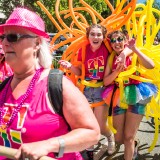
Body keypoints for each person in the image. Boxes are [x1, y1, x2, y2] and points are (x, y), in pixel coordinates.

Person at [0, 7, 101, 160]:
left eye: (13, 37)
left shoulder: (56, 84)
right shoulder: (3, 86)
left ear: (37, 43)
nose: (5, 43)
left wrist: (48, 145)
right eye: (3, 37)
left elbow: (92, 133)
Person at [59, 24, 132, 158]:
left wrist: (124, 54)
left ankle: (110, 137)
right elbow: (80, 71)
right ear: (88, 36)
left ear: (104, 37)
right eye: (92, 34)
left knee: (99, 123)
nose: (96, 37)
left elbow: (124, 47)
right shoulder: (84, 50)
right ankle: (90, 147)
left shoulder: (107, 48)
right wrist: (70, 67)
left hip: (102, 89)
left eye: (99, 34)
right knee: (86, 122)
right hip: (86, 89)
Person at [102, 30, 157, 160]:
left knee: (128, 137)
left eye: (120, 39)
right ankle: (134, 143)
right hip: (118, 96)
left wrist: (135, 49)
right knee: (119, 138)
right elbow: (106, 82)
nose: (117, 42)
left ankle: (131, 146)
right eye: (113, 40)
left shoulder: (133, 53)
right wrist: (116, 72)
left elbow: (151, 65)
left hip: (137, 94)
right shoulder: (111, 58)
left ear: (125, 40)